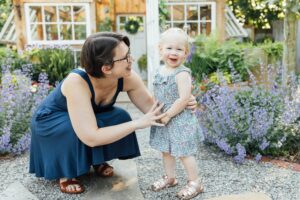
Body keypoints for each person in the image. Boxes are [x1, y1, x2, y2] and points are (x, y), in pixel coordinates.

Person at [29, 32, 197, 194]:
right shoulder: (76, 82)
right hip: (52, 121)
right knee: (72, 128)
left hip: (88, 117)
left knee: (120, 116)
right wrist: (137, 124)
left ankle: (96, 160)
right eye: (125, 58)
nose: (132, 59)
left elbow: (155, 111)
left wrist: (182, 102)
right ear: (106, 68)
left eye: (129, 54)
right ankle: (66, 172)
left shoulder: (127, 76)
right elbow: (91, 137)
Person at [149, 28, 204, 199]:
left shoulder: (182, 73)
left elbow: (183, 99)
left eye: (179, 49)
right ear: (160, 49)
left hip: (179, 119)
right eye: (169, 48)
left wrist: (167, 115)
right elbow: (156, 94)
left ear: (186, 53)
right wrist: (156, 111)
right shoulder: (158, 71)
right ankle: (171, 178)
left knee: (184, 153)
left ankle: (195, 182)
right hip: (165, 119)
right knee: (166, 151)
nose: (174, 52)